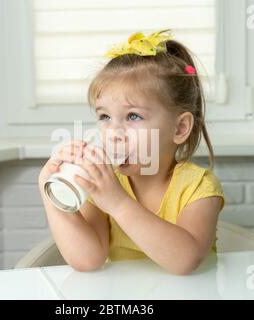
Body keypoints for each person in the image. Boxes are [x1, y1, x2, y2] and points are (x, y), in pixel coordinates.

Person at [38, 29, 226, 275]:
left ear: (180, 128)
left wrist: (117, 203)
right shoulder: (104, 183)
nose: (113, 132)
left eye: (133, 116)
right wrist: (49, 191)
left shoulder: (198, 187)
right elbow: (88, 260)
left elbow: (185, 261)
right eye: (105, 116)